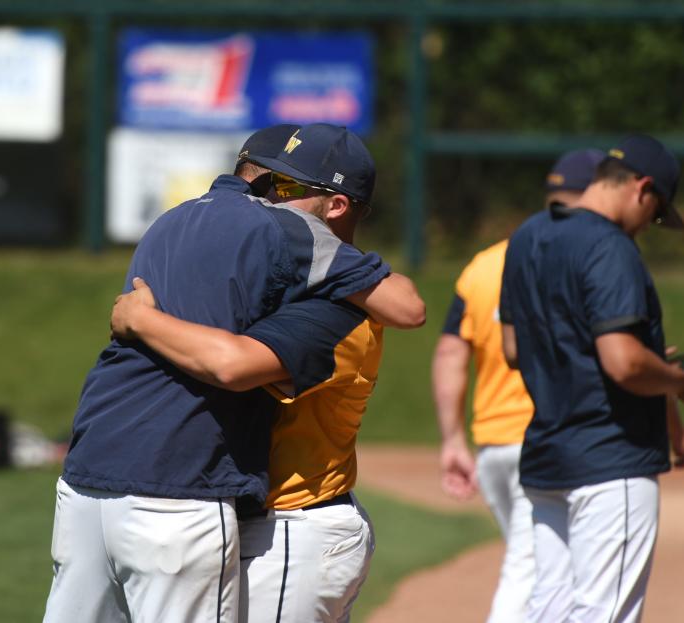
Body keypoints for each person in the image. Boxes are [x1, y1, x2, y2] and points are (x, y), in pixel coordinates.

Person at [42, 123, 424, 623]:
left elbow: (233, 363)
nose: (272, 200)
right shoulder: (284, 234)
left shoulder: (175, 224)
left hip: (278, 518)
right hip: (190, 494)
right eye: (273, 189)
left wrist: (141, 319)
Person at [499, 134, 684, 622]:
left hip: (549, 459)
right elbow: (623, 362)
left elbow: (514, 350)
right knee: (604, 614)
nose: (651, 225)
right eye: (657, 212)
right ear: (642, 188)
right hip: (610, 460)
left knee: (548, 611)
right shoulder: (612, 247)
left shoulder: (527, 236)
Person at [431, 148, 604, 622]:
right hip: (548, 441)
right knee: (530, 571)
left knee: (548, 565)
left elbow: (450, 351)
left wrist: (451, 439)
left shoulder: (485, 264)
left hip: (492, 449)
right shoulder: (586, 255)